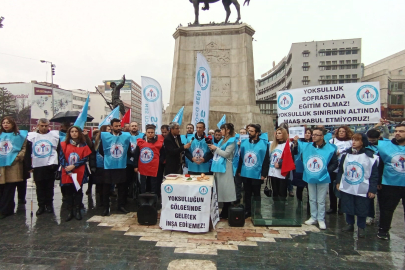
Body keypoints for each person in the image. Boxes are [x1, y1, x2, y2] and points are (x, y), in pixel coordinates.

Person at [294, 127, 338, 230]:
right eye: (313, 134)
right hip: (311, 175)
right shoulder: (308, 146)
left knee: (321, 199)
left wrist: (326, 171)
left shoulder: (330, 148)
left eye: (316, 135)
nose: (313, 136)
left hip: (323, 177)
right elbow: (301, 156)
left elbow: (334, 163)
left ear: (322, 136)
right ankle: (313, 217)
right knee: (312, 198)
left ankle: (321, 219)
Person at [336, 133, 378, 238]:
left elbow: (374, 174)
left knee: (362, 207)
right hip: (348, 184)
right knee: (348, 204)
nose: (353, 142)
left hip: (362, 186)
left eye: (357, 140)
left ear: (363, 142)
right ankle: (350, 224)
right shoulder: (346, 154)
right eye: (353, 140)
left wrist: (372, 189)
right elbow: (341, 170)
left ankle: (361, 227)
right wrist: (338, 182)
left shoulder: (370, 156)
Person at [375, 123, 405, 240]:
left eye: (401, 131)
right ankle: (383, 230)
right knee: (386, 209)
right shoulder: (386, 147)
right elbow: (380, 164)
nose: (397, 133)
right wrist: (378, 181)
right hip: (390, 183)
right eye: (396, 131)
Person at [26, 118, 60, 216]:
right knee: (39, 187)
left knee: (49, 186)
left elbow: (57, 150)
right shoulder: (32, 137)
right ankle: (41, 205)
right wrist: (28, 165)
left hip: (50, 165)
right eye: (42, 126)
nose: (44, 128)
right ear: (38, 126)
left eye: (46, 126)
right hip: (37, 165)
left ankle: (49, 205)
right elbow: (28, 152)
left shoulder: (54, 136)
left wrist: (55, 164)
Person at [99, 119, 131, 216]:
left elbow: (128, 150)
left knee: (122, 187)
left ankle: (120, 206)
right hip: (109, 166)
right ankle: (106, 207)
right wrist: (109, 158)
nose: (118, 128)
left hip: (121, 165)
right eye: (116, 126)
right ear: (111, 126)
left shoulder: (125, 137)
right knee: (106, 187)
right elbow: (101, 150)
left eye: (119, 126)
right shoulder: (105, 137)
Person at [59, 126, 92, 221]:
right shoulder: (64, 144)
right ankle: (70, 211)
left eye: (76, 131)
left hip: (79, 171)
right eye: (72, 131)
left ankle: (77, 210)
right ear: (69, 133)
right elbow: (61, 158)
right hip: (67, 172)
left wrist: (74, 166)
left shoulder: (83, 144)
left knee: (78, 191)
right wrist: (68, 170)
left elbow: (85, 158)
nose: (74, 133)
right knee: (68, 192)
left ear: (79, 133)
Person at [237, 124, 270, 218]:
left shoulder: (264, 144)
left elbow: (266, 159)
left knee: (256, 193)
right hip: (246, 172)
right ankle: (248, 210)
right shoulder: (244, 142)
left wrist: (264, 173)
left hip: (257, 172)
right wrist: (239, 170)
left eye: (251, 131)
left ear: (257, 133)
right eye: (249, 131)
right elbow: (241, 157)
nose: (249, 133)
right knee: (247, 193)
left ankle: (257, 211)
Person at [0, 117, 27, 219]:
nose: (5, 124)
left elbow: (24, 148)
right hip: (1, 165)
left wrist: (18, 157)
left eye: (8, 123)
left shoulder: (19, 135)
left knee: (9, 188)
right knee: (1, 188)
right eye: (4, 123)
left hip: (13, 165)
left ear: (12, 124)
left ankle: (6, 210)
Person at [209, 123, 237, 219]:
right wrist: (214, 149)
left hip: (226, 167)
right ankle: (224, 209)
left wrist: (215, 148)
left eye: (222, 129)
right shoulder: (222, 140)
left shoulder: (232, 141)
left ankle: (227, 208)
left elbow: (226, 154)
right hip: (219, 167)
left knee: (226, 188)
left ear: (228, 130)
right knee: (221, 188)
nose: (221, 131)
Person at [327, 126, 353, 215]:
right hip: (334, 168)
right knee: (332, 189)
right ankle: (332, 207)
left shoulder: (350, 142)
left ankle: (341, 207)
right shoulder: (332, 141)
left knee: (343, 188)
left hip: (345, 169)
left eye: (343, 131)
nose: (341, 133)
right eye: (340, 131)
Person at [134, 124, 165, 195]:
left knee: (153, 183)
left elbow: (163, 154)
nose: (150, 134)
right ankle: (142, 197)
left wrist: (159, 162)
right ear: (146, 133)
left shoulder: (159, 143)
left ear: (154, 133)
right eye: (149, 132)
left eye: (152, 132)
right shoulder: (140, 142)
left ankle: (153, 198)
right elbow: (136, 154)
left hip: (154, 167)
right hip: (143, 167)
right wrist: (135, 166)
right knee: (142, 183)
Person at [268, 128, 292, 200]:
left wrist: (280, 164)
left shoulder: (289, 145)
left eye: (279, 133)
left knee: (282, 193)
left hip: (282, 172)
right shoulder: (272, 144)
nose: (277, 135)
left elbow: (289, 159)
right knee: (275, 192)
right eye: (277, 133)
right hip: (273, 171)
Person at [292, 128, 312, 203]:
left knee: (309, 187)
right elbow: (295, 152)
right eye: (305, 133)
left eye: (309, 133)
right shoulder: (299, 142)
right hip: (300, 167)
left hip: (309, 168)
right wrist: (296, 143)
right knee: (300, 186)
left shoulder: (314, 143)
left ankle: (309, 203)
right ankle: (299, 201)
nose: (307, 134)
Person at [126, 122, 144, 200]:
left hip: (139, 161)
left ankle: (138, 195)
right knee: (128, 179)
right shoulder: (126, 136)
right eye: (132, 126)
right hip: (128, 162)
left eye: (135, 126)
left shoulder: (142, 136)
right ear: (129, 127)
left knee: (138, 180)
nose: (134, 127)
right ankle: (129, 194)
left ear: (138, 127)